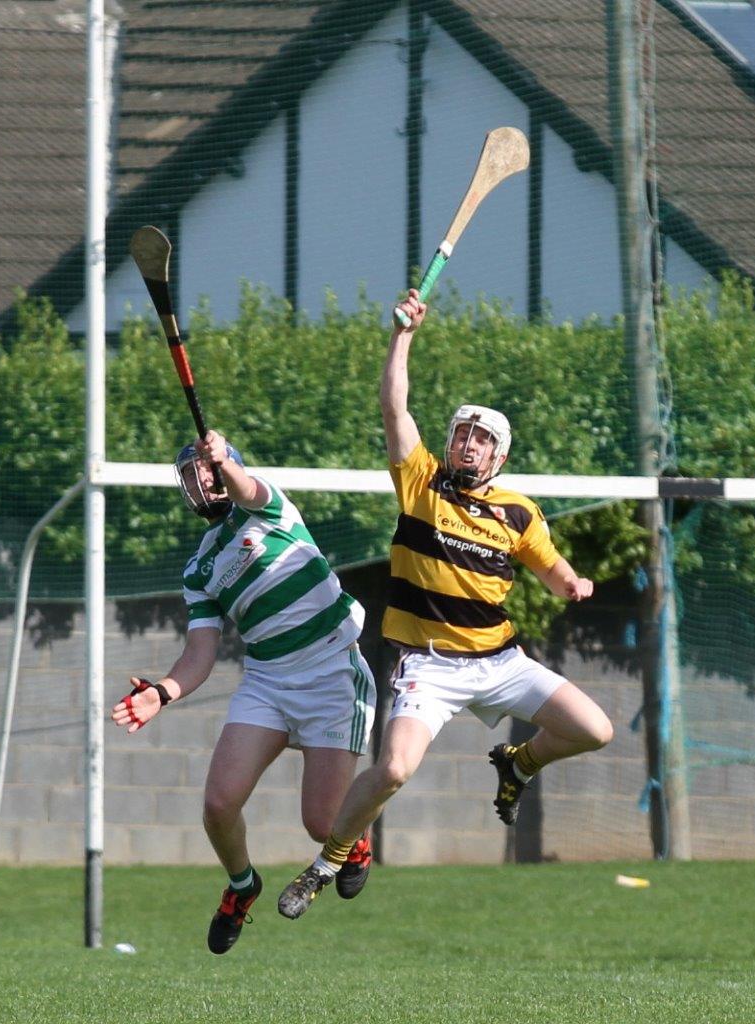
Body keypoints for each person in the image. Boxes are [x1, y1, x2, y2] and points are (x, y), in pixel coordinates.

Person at [277, 289, 613, 920]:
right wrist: (403, 333)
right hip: (427, 666)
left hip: (501, 662)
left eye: (482, 440)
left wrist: (572, 583)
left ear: (500, 456)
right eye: (462, 434)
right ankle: (329, 861)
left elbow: (548, 562)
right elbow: (393, 406)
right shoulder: (421, 482)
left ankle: (520, 763)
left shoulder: (518, 511)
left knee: (595, 729)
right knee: (394, 771)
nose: (468, 444)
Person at [112, 429, 376, 953]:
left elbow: (247, 488)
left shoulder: (267, 508)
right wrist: (162, 693)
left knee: (321, 824)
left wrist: (225, 462)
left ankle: (354, 843)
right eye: (194, 475)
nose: (204, 480)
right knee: (218, 804)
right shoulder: (198, 568)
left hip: (330, 671)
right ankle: (241, 887)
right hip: (268, 682)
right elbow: (200, 654)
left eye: (211, 469)